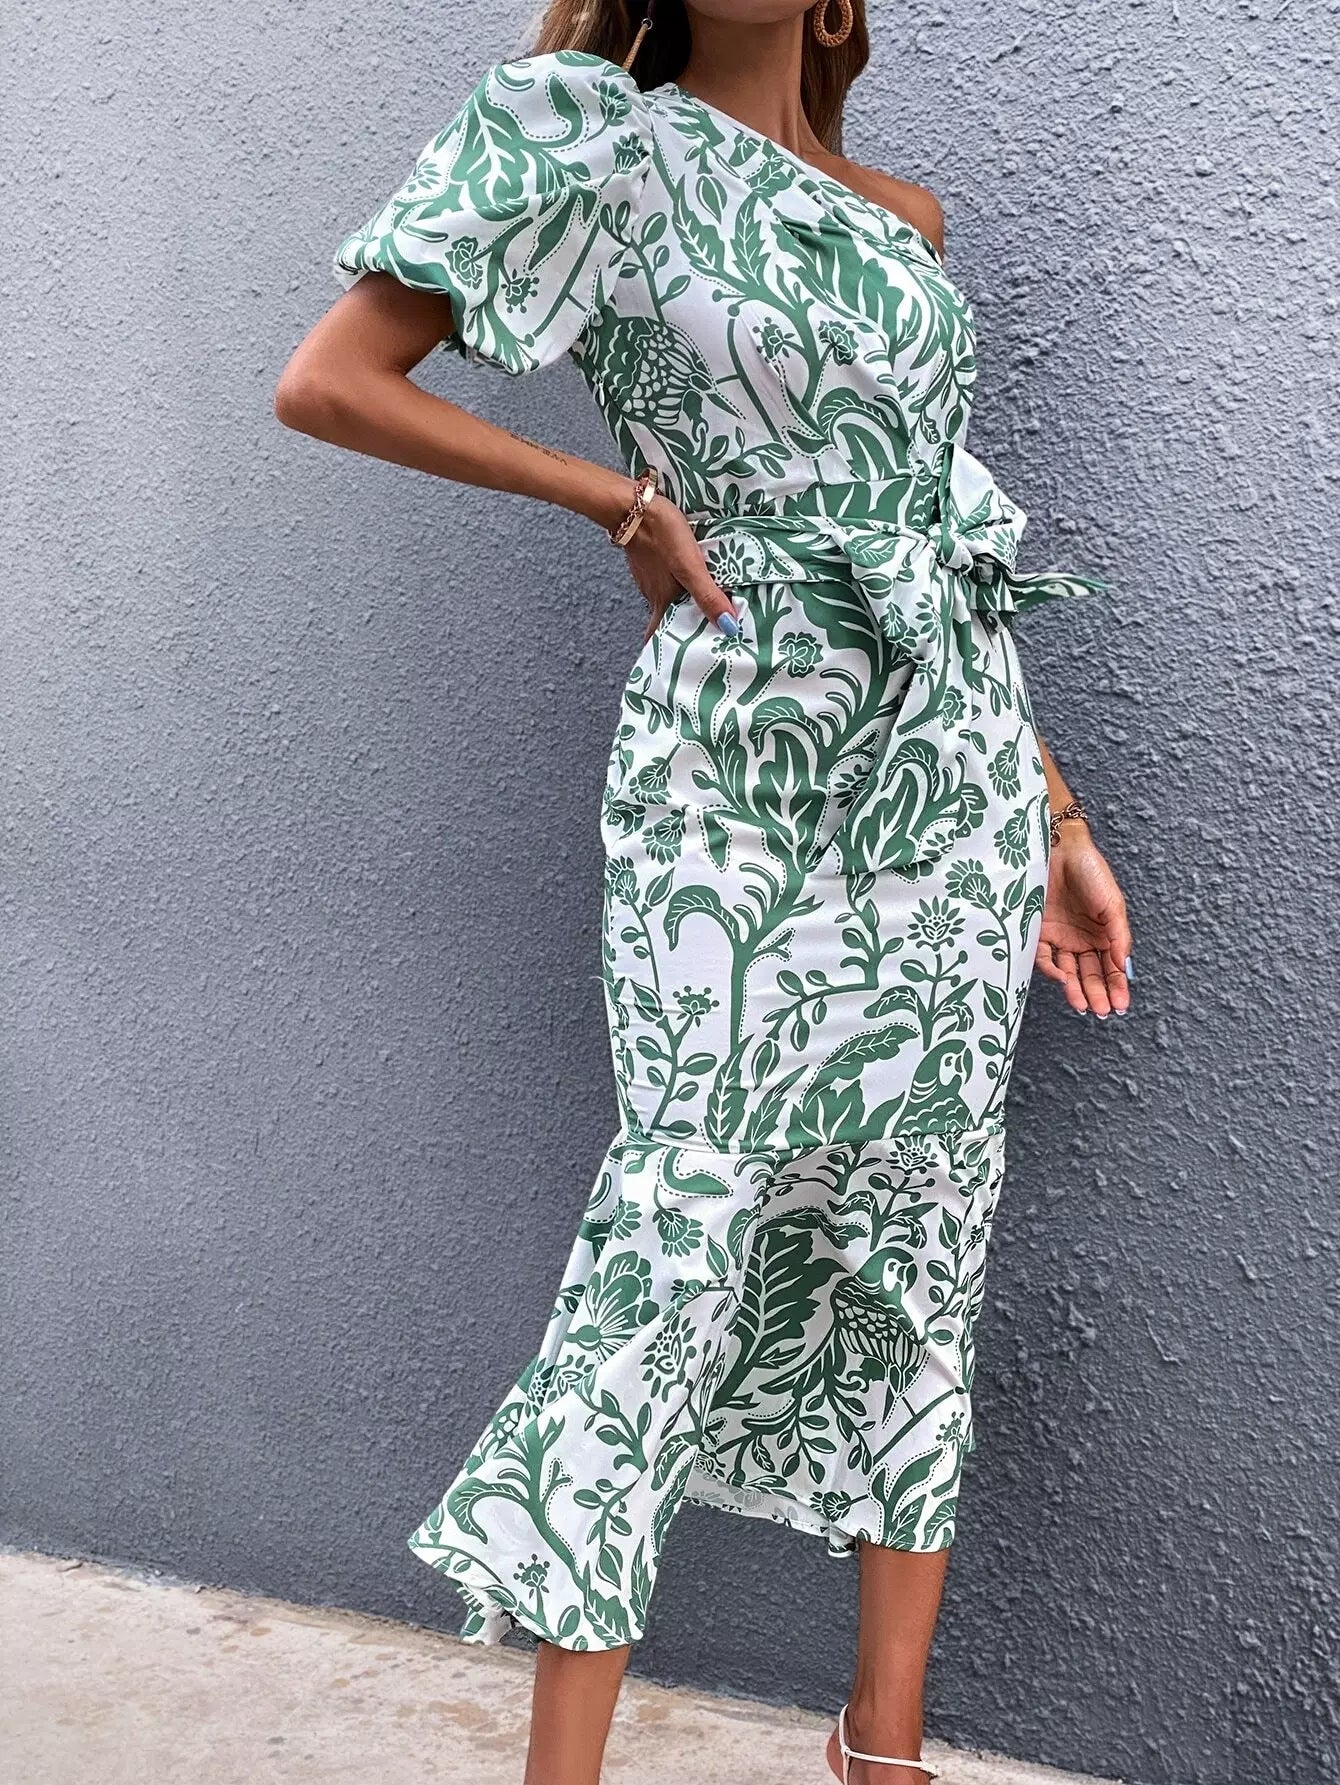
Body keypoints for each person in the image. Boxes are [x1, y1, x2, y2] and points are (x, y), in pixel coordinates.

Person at [275, 3, 1133, 1780]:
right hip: (736, 767)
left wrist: (1055, 816)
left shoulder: (908, 222)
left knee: (922, 1221)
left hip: (952, 784)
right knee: (679, 1221)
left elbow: (936, 540)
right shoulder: (586, 131)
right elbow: (333, 381)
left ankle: (884, 1741)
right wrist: (617, 501)